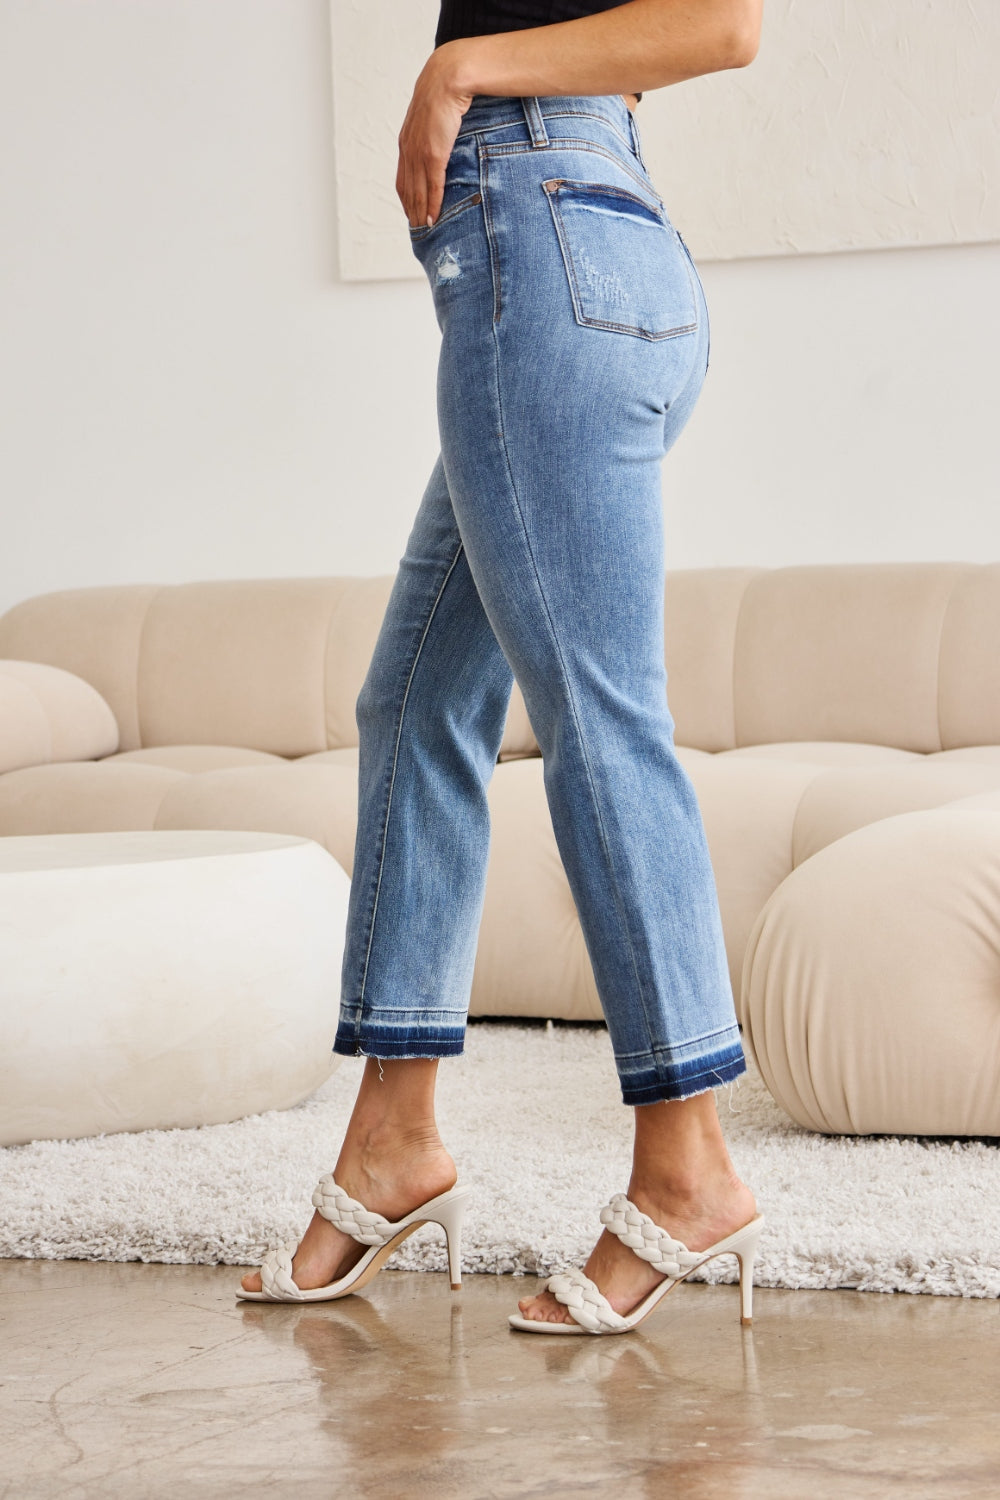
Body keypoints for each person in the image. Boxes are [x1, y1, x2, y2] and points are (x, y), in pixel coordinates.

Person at [238, 0, 765, 1334]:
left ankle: (689, 1162)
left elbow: (721, 21)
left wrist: (464, 67)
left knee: (595, 713)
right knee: (415, 701)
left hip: (547, 241)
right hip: (573, 236)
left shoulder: (500, 92)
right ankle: (394, 1141)